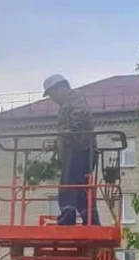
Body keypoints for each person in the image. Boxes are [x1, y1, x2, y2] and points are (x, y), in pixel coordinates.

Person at [43, 73, 99, 226]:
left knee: (68, 185)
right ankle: (91, 219)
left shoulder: (74, 98)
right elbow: (67, 129)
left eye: (51, 94)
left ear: (60, 88)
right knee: (81, 188)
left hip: (79, 150)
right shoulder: (66, 104)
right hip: (78, 149)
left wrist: (70, 131)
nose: (51, 98)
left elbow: (80, 117)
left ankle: (68, 216)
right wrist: (56, 144)